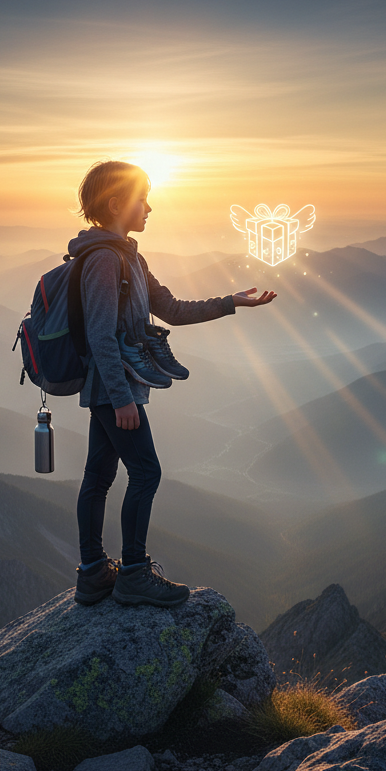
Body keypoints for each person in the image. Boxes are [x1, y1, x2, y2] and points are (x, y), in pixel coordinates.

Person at [71, 160, 276, 607]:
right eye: (142, 198)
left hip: (110, 388)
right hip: (114, 389)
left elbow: (173, 309)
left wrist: (231, 302)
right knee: (146, 472)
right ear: (115, 203)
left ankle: (92, 572)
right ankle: (134, 574)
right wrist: (122, 399)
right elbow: (100, 335)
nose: (150, 207)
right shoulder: (105, 260)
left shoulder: (128, 256)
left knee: (100, 474)